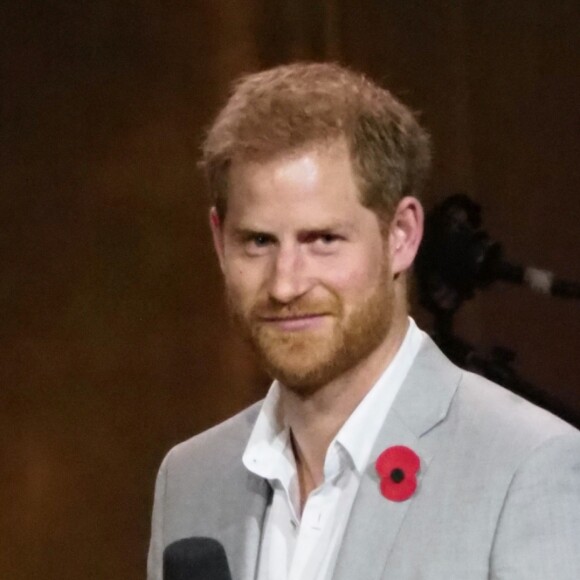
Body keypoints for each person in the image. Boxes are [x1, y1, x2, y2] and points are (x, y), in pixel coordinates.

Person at [147, 62, 580, 580]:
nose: (286, 284)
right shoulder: (191, 480)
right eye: (258, 242)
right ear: (219, 241)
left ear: (400, 235)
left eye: (323, 240)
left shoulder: (527, 466)